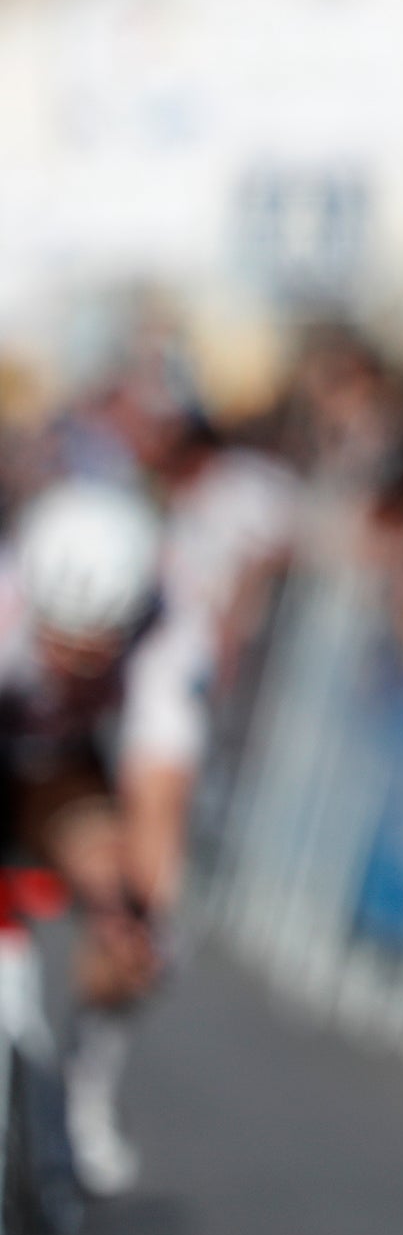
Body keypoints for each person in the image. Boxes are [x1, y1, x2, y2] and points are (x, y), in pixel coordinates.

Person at [0, 481, 170, 1195]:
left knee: (143, 923)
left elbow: (161, 788)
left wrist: (128, 913)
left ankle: (83, 1092)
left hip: (65, 771)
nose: (70, 659)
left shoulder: (167, 637)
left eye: (91, 646)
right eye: (57, 640)